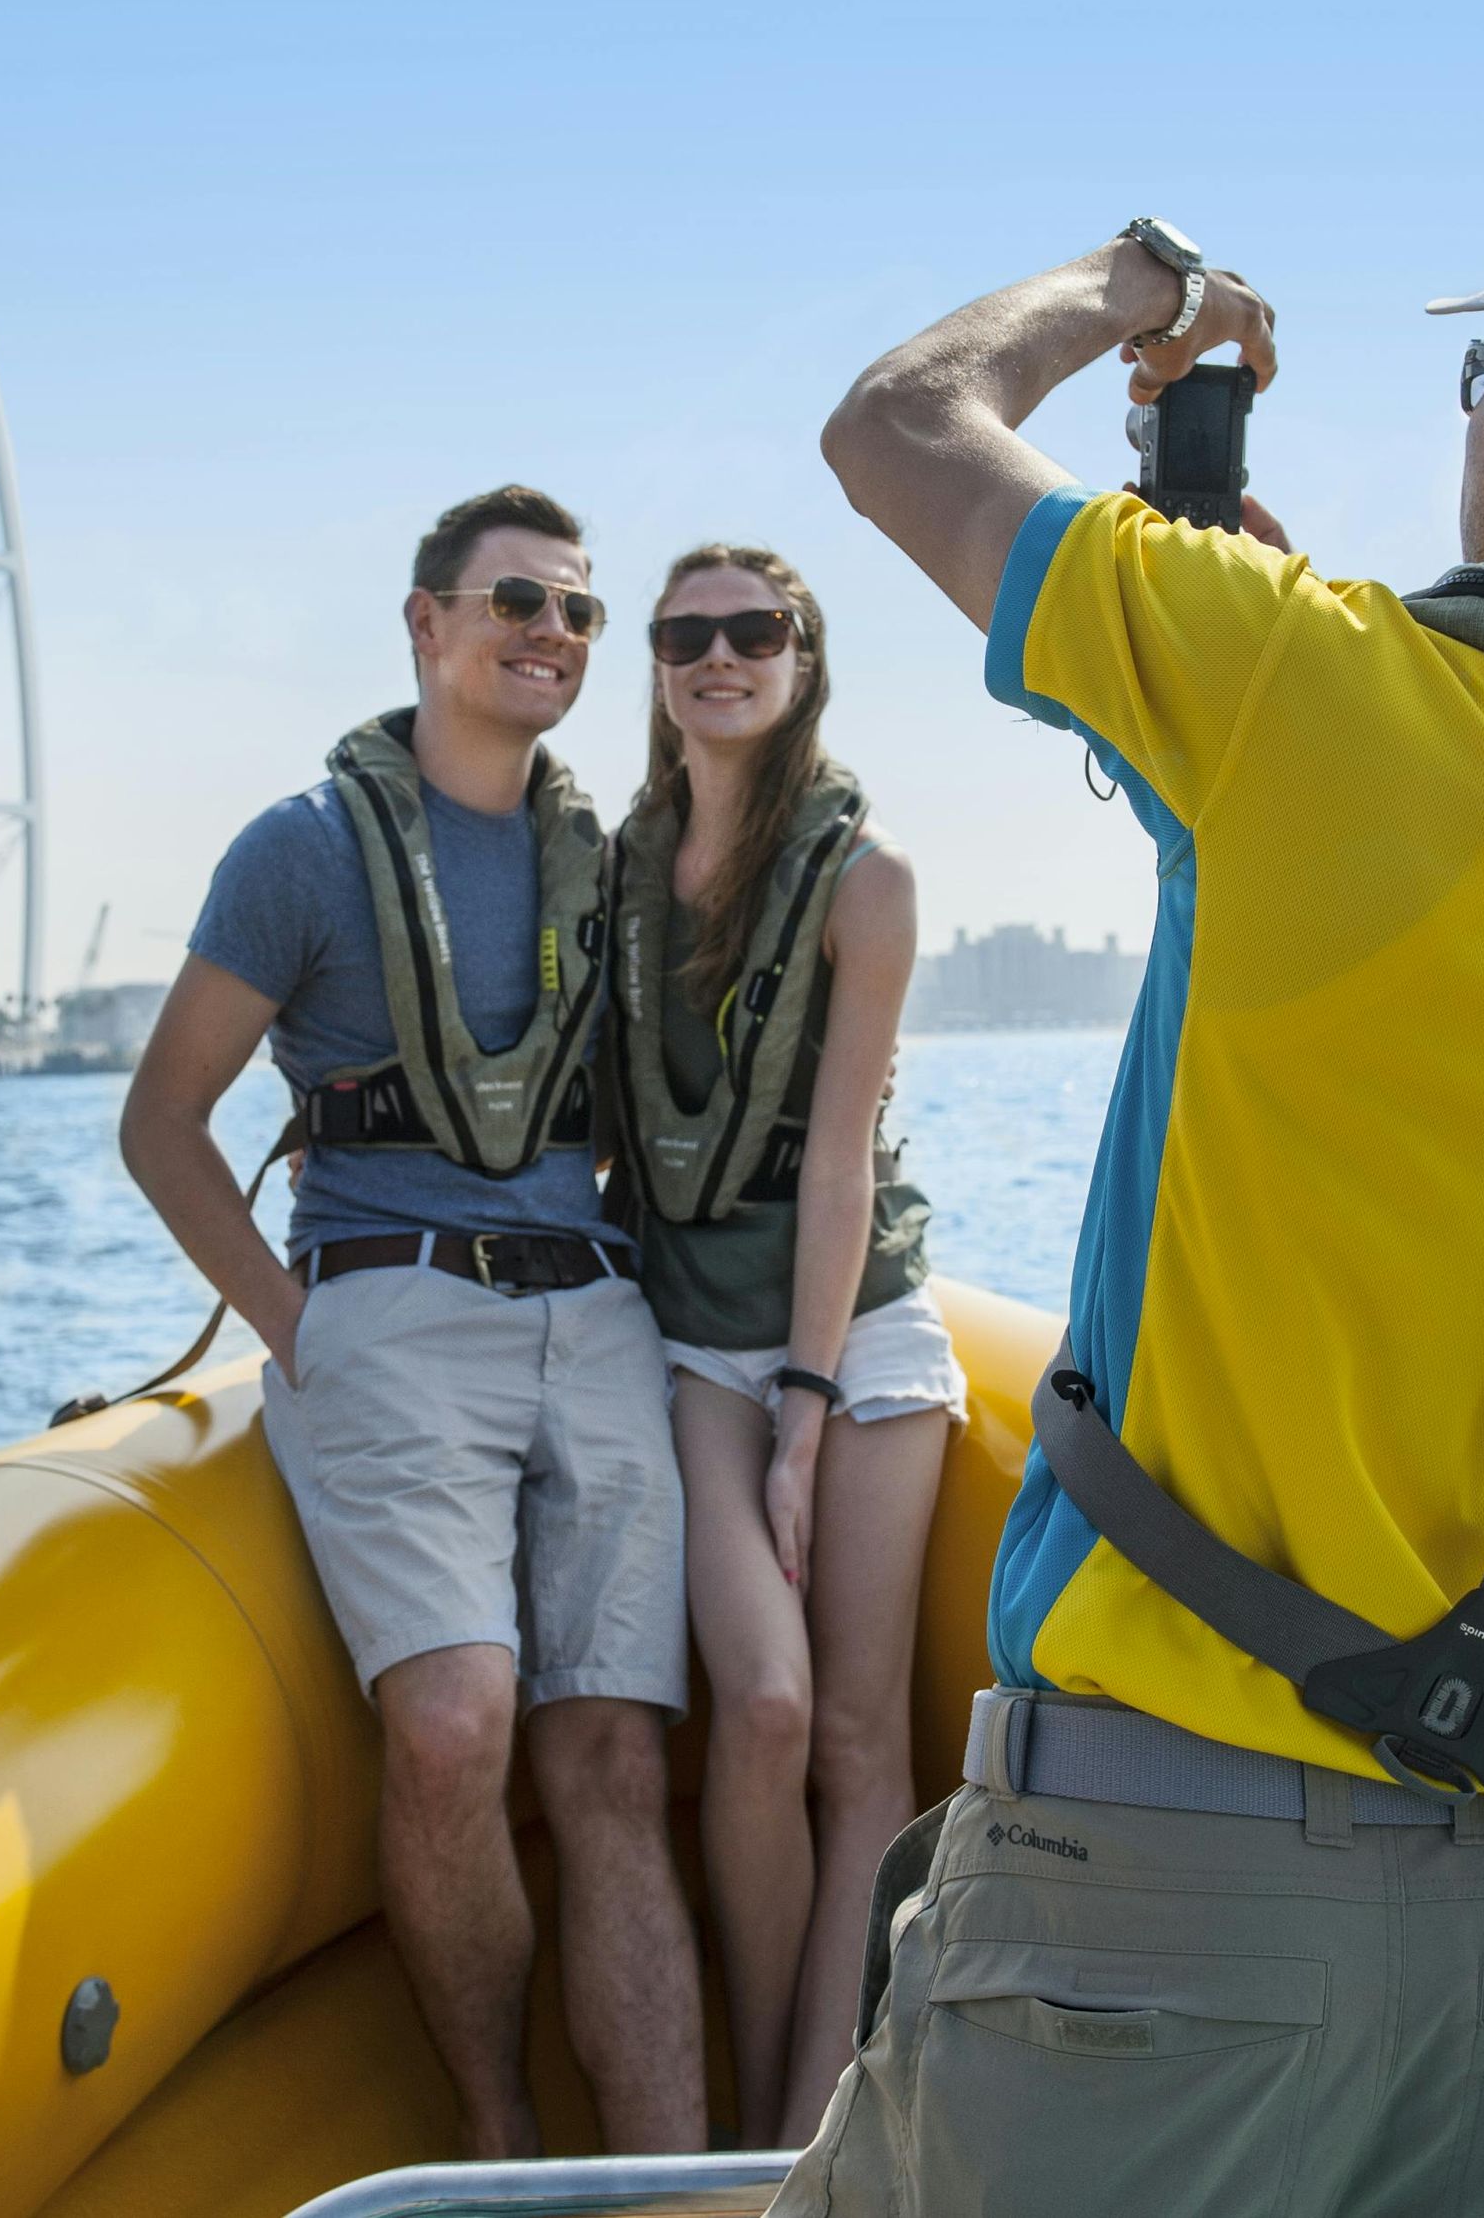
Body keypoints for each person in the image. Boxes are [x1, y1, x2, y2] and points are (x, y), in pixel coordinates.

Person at [773, 166, 1484, 2217]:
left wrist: (1132, 289)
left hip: (1150, 1916)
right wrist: (1214, 527)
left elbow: (899, 427)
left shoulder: (1306, 701)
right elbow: (1407, 825)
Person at [119, 483, 706, 2161]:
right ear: (427, 624)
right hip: (391, 1313)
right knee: (456, 1726)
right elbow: (164, 1121)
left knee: (609, 1763)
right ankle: (504, 2148)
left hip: (593, 1319)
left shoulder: (615, 863)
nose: (553, 635)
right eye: (517, 601)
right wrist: (296, 1329)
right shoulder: (300, 851)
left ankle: (672, 2194)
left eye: (582, 614)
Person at [609, 543, 952, 2149]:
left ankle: (810, 2142)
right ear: (661, 667)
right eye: (689, 635)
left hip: (857, 1337)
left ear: (805, 661)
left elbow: (835, 1155)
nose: (720, 655)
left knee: (860, 1735)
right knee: (761, 1709)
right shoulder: (617, 871)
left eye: (759, 631)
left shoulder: (867, 883)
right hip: (695, 1343)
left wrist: (808, 1408)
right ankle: (753, 2115)